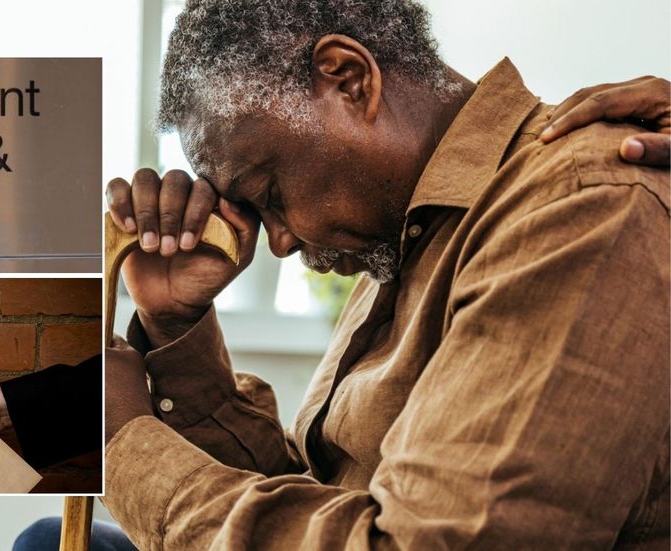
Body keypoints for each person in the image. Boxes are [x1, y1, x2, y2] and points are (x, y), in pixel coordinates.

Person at [100, 1, 669, 549]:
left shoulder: (581, 205)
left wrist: (128, 447)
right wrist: (177, 322)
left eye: (271, 194)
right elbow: (317, 503)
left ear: (349, 79)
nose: (278, 242)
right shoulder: (397, 243)